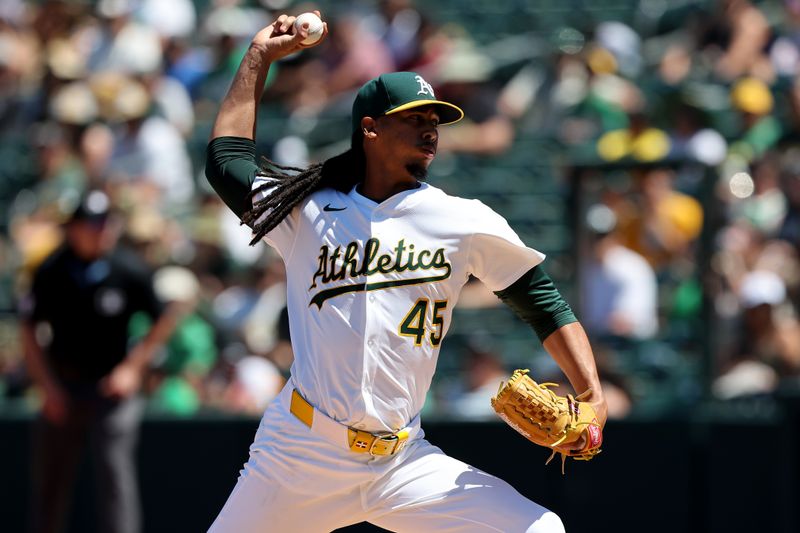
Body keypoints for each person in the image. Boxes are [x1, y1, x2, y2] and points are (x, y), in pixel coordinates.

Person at [205, 12, 607, 532]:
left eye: (434, 120)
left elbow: (542, 301)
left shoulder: (462, 220)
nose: (429, 129)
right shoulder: (307, 211)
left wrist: (592, 395)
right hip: (300, 455)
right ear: (369, 128)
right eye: (414, 118)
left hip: (402, 463)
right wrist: (258, 58)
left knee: (541, 530)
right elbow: (225, 159)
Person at [19, 190, 184, 533]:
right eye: (92, 224)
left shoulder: (127, 267)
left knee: (114, 474)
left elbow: (165, 316)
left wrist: (132, 368)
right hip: (63, 386)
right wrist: (47, 386)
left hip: (111, 389)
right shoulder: (51, 269)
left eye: (106, 223)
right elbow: (29, 328)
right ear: (74, 229)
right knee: (51, 479)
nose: (101, 231)